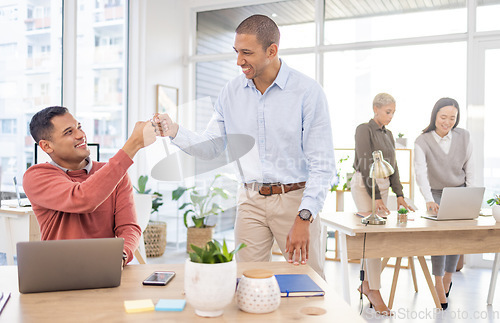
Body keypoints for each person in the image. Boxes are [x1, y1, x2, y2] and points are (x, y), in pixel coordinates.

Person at [155, 14, 335, 277]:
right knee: (247, 281)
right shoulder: (231, 92)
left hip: (295, 200)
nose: (239, 61)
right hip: (250, 199)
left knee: (307, 280)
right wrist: (174, 131)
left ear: (271, 51)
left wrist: (304, 216)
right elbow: (213, 147)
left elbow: (322, 163)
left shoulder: (307, 92)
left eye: (247, 53)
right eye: (237, 52)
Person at [23, 106, 157, 266]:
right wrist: (133, 144)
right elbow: (82, 198)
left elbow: (128, 227)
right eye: (68, 132)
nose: (81, 135)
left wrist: (120, 255)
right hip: (58, 272)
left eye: (79, 127)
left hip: (105, 269)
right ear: (46, 146)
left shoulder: (116, 174)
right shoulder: (37, 175)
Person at [351, 93, 414, 315]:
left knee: (376, 237)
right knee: (372, 235)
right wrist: (375, 196)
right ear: (375, 109)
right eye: (388, 112)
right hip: (364, 185)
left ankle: (367, 285)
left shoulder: (388, 135)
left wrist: (399, 193)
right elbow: (366, 160)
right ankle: (374, 290)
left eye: (393, 112)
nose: (391, 116)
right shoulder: (363, 129)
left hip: (383, 184)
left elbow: (393, 165)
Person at [414, 97, 474, 310]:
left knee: (456, 235)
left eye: (452, 118)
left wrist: (471, 195)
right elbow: (420, 173)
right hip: (436, 193)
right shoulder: (423, 141)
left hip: (459, 191)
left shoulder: (464, 136)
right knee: (439, 237)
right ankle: (437, 281)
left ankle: (448, 276)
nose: (447, 122)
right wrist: (429, 200)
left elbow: (471, 168)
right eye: (443, 117)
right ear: (435, 116)